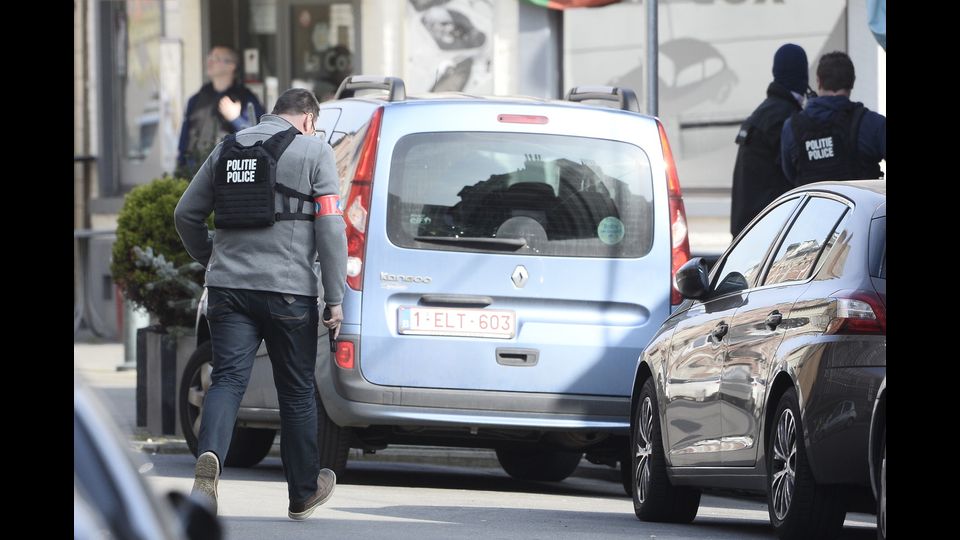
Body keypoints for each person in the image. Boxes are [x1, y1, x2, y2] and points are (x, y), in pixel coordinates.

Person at [173, 88, 347, 521]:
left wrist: (212, 256)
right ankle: (303, 493)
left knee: (227, 379)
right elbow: (330, 228)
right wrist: (335, 298)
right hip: (289, 291)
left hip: (228, 289)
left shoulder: (227, 148)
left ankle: (210, 457)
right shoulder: (315, 152)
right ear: (308, 119)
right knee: (297, 390)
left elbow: (185, 214)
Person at [729, 43, 809, 237]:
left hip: (745, 228)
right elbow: (792, 176)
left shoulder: (762, 112)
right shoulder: (785, 118)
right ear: (803, 74)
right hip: (766, 231)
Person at [780, 51, 886, 186]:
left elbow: (789, 174)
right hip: (862, 200)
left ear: (818, 81)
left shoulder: (791, 127)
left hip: (813, 200)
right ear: (852, 82)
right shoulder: (873, 124)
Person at [176, 46, 265, 178]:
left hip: (229, 173)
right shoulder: (196, 99)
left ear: (231, 66)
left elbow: (259, 136)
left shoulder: (246, 98)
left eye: (216, 58)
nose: (210, 61)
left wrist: (235, 119)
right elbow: (185, 138)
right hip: (195, 172)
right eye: (209, 57)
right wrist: (180, 168)